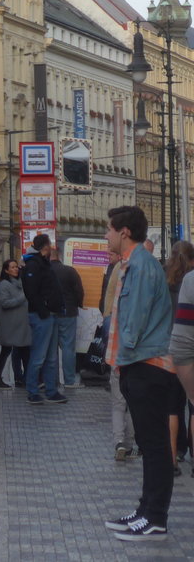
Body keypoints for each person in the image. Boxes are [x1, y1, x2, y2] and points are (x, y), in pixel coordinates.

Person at [103, 206, 180, 542]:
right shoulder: (132, 265)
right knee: (151, 445)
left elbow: (133, 321)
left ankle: (156, 519)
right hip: (138, 363)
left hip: (145, 364)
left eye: (108, 229)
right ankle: (145, 511)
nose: (105, 235)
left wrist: (123, 358)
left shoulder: (142, 266)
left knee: (156, 446)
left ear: (124, 232)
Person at [20, 233, 66, 405]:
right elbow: (31, 292)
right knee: (39, 356)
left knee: (51, 357)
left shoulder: (43, 263)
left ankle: (51, 391)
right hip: (42, 316)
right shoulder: (33, 264)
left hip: (50, 314)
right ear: (46, 247)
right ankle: (33, 391)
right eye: (50, 245)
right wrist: (43, 311)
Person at [101, 250, 136, 460]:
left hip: (117, 359)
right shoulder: (138, 311)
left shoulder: (115, 313)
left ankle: (118, 442)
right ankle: (130, 443)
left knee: (117, 404)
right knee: (131, 405)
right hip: (132, 361)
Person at [164, 241, 194, 473]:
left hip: (169, 347)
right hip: (188, 342)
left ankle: (172, 459)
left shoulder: (165, 280)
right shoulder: (191, 279)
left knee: (172, 407)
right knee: (192, 406)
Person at [0, 259, 31, 389]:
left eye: (16, 267)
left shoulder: (21, 282)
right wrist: (22, 297)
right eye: (12, 267)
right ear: (6, 270)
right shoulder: (4, 284)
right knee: (6, 351)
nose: (16, 269)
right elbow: (5, 303)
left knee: (26, 352)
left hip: (22, 325)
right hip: (9, 325)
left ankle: (25, 380)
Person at [51, 251, 85, 389]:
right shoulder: (69, 271)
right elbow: (79, 291)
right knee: (68, 348)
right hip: (68, 312)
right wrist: (77, 304)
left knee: (51, 349)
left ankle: (53, 381)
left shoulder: (45, 271)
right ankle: (69, 381)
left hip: (49, 314)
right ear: (59, 256)